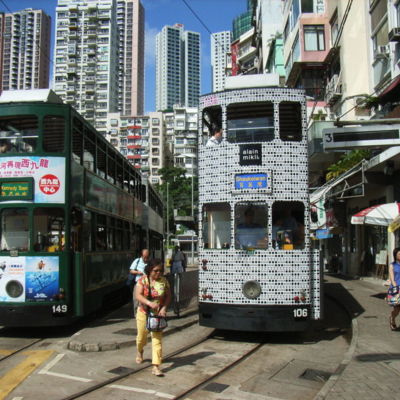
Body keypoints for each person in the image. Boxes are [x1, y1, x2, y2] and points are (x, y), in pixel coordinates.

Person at [135, 259, 171, 376]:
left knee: (157, 340)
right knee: (141, 337)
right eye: (155, 271)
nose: (158, 273)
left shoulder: (164, 281)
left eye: (160, 271)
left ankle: (156, 366)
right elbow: (137, 295)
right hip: (143, 313)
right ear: (149, 270)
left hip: (157, 316)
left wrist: (164, 308)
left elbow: (168, 296)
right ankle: (140, 351)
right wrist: (149, 303)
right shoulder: (143, 281)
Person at [389, 247, 400, 331]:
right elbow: (392, 279)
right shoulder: (392, 265)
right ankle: (392, 318)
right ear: (395, 255)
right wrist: (397, 289)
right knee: (396, 309)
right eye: (399, 254)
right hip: (395, 290)